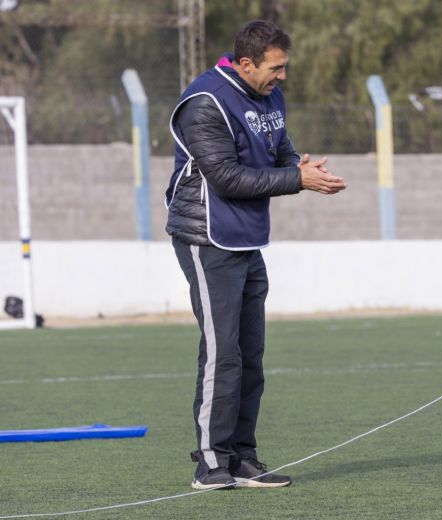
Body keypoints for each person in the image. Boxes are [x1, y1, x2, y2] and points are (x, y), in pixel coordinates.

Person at [165, 19, 347, 490]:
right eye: (276, 68)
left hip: (247, 238)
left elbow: (280, 153)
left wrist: (301, 168)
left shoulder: (269, 97)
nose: (282, 76)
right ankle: (210, 462)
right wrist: (297, 180)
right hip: (207, 238)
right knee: (223, 354)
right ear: (246, 64)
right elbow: (227, 178)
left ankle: (243, 457)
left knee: (251, 357)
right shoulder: (204, 103)